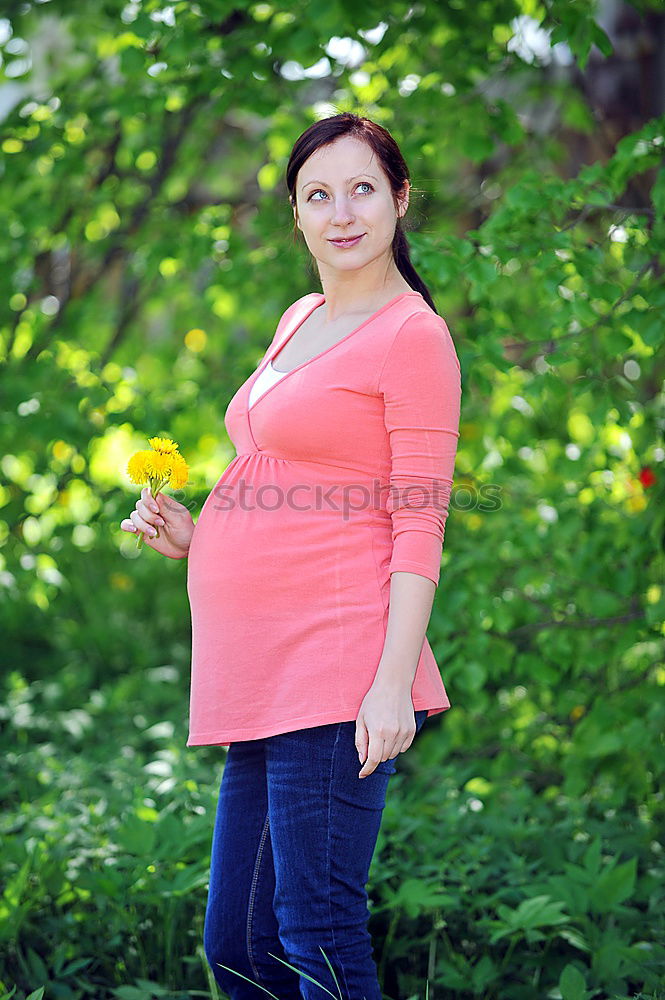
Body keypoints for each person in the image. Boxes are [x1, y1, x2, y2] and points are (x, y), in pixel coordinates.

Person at [120, 112, 462, 999]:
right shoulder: (301, 314)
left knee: (314, 933)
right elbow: (297, 484)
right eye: (319, 195)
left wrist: (390, 686)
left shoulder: (412, 337)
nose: (341, 212)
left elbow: (417, 522)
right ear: (297, 216)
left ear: (398, 198)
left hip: (337, 668)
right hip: (262, 678)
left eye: (360, 189)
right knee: (238, 943)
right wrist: (201, 540)